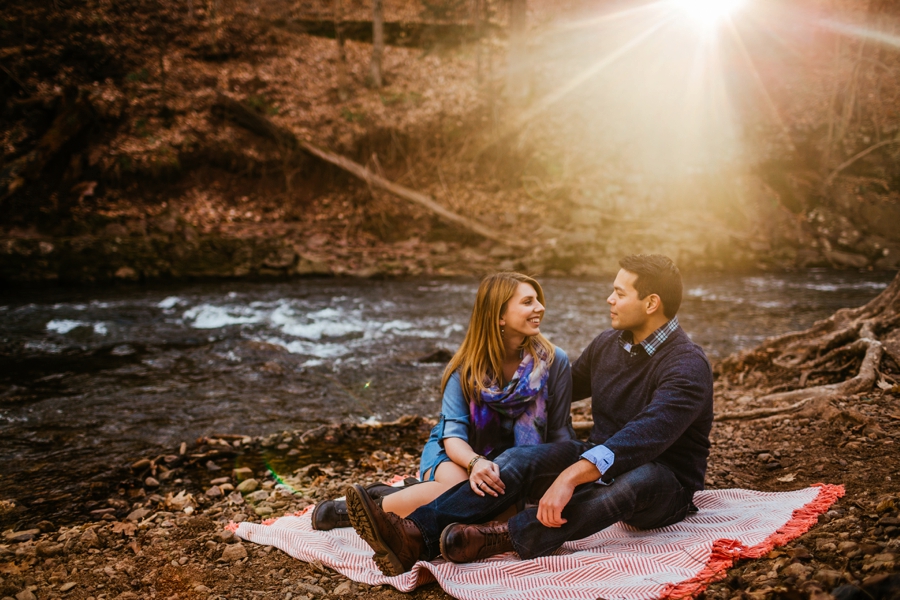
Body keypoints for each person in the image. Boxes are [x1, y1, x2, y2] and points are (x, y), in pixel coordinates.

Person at [344, 254, 714, 577]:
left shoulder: (686, 365)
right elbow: (555, 384)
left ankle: (503, 536)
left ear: (651, 303)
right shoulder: (609, 344)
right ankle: (413, 537)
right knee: (518, 459)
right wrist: (497, 382)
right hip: (599, 458)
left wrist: (571, 476)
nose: (609, 299)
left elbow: (643, 437)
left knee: (639, 478)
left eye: (619, 292)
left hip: (666, 483)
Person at [311, 272, 575, 531]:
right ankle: (355, 512)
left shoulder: (555, 360)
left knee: (499, 508)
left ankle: (394, 494)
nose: (540, 307)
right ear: (499, 316)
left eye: (538, 300)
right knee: (462, 493)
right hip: (458, 454)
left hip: (516, 464)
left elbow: (559, 431)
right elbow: (453, 437)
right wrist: (476, 463)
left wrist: (562, 479)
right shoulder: (464, 369)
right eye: (528, 301)